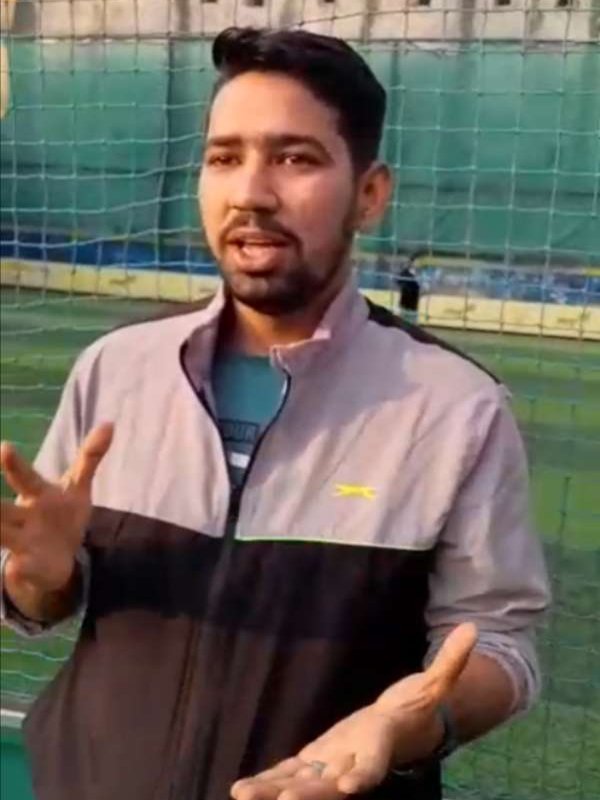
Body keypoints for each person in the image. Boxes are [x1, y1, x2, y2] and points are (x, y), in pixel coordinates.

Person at [0, 26, 550, 800]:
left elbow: (500, 643)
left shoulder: (457, 409)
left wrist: (406, 723)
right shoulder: (115, 370)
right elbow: (46, 598)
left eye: (295, 159)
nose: (251, 193)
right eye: (224, 157)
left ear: (370, 194)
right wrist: (40, 580)